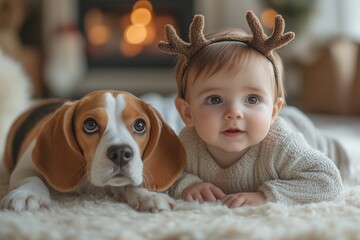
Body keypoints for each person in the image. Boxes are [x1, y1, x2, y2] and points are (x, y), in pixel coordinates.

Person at [157, 11, 345, 208]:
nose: (234, 112)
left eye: (252, 99)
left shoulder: (281, 144)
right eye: (215, 99)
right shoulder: (188, 143)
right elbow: (158, 173)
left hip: (312, 138)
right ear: (187, 113)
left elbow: (328, 181)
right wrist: (187, 184)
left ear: (273, 111)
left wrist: (266, 196)